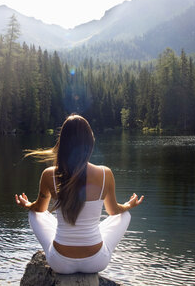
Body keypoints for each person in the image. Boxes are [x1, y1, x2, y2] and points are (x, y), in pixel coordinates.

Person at [15, 114, 144, 274]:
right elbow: (113, 212)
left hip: (60, 263)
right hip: (96, 262)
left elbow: (39, 209)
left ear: (62, 143)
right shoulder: (105, 174)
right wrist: (128, 205)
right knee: (125, 215)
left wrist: (26, 204)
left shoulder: (49, 175)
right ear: (90, 142)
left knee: (33, 214)